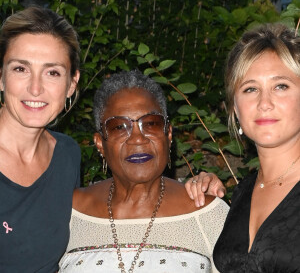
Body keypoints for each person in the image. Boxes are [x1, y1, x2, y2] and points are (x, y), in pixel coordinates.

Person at [58, 70, 229, 273]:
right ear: (100, 144)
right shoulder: (68, 212)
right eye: (120, 127)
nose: (137, 138)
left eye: (151, 124)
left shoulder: (206, 213)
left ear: (168, 134)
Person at [186, 23, 300, 272]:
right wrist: (209, 200)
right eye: (250, 89)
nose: (264, 103)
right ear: (236, 109)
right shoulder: (241, 194)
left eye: (280, 86)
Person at [0, 6, 81, 272]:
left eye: (52, 72)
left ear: (71, 84)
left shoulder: (67, 154)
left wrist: (190, 192)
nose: (35, 88)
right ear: (1, 77)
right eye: (21, 69)